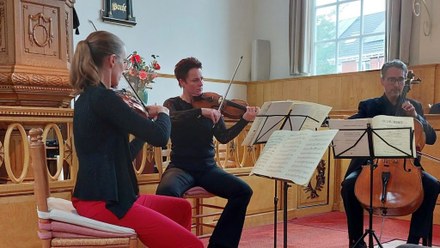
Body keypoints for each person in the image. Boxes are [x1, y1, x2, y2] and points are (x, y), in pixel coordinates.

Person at [69, 31, 203, 248]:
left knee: (181, 208)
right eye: (122, 63)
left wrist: (141, 128)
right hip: (105, 202)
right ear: (112, 60)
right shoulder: (104, 98)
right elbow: (160, 137)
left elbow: (123, 156)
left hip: (107, 195)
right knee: (193, 245)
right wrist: (163, 113)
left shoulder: (89, 97)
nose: (123, 70)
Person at [156, 57, 260, 248]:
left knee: (243, 191)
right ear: (182, 82)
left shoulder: (212, 106)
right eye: (195, 80)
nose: (201, 84)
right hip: (180, 167)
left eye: (201, 79)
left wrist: (244, 119)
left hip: (207, 168)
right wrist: (200, 112)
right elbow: (172, 117)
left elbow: (224, 137)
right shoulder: (172, 104)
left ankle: (221, 245)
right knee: (165, 192)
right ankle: (179, 243)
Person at [341, 59, 440, 248]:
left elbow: (432, 137)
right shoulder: (369, 106)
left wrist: (416, 118)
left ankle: (413, 242)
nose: (396, 84)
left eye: (400, 80)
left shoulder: (415, 106)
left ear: (405, 82)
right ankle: (356, 241)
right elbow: (352, 127)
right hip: (371, 166)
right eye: (392, 79)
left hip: (406, 167)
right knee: (348, 185)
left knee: (432, 185)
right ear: (382, 81)